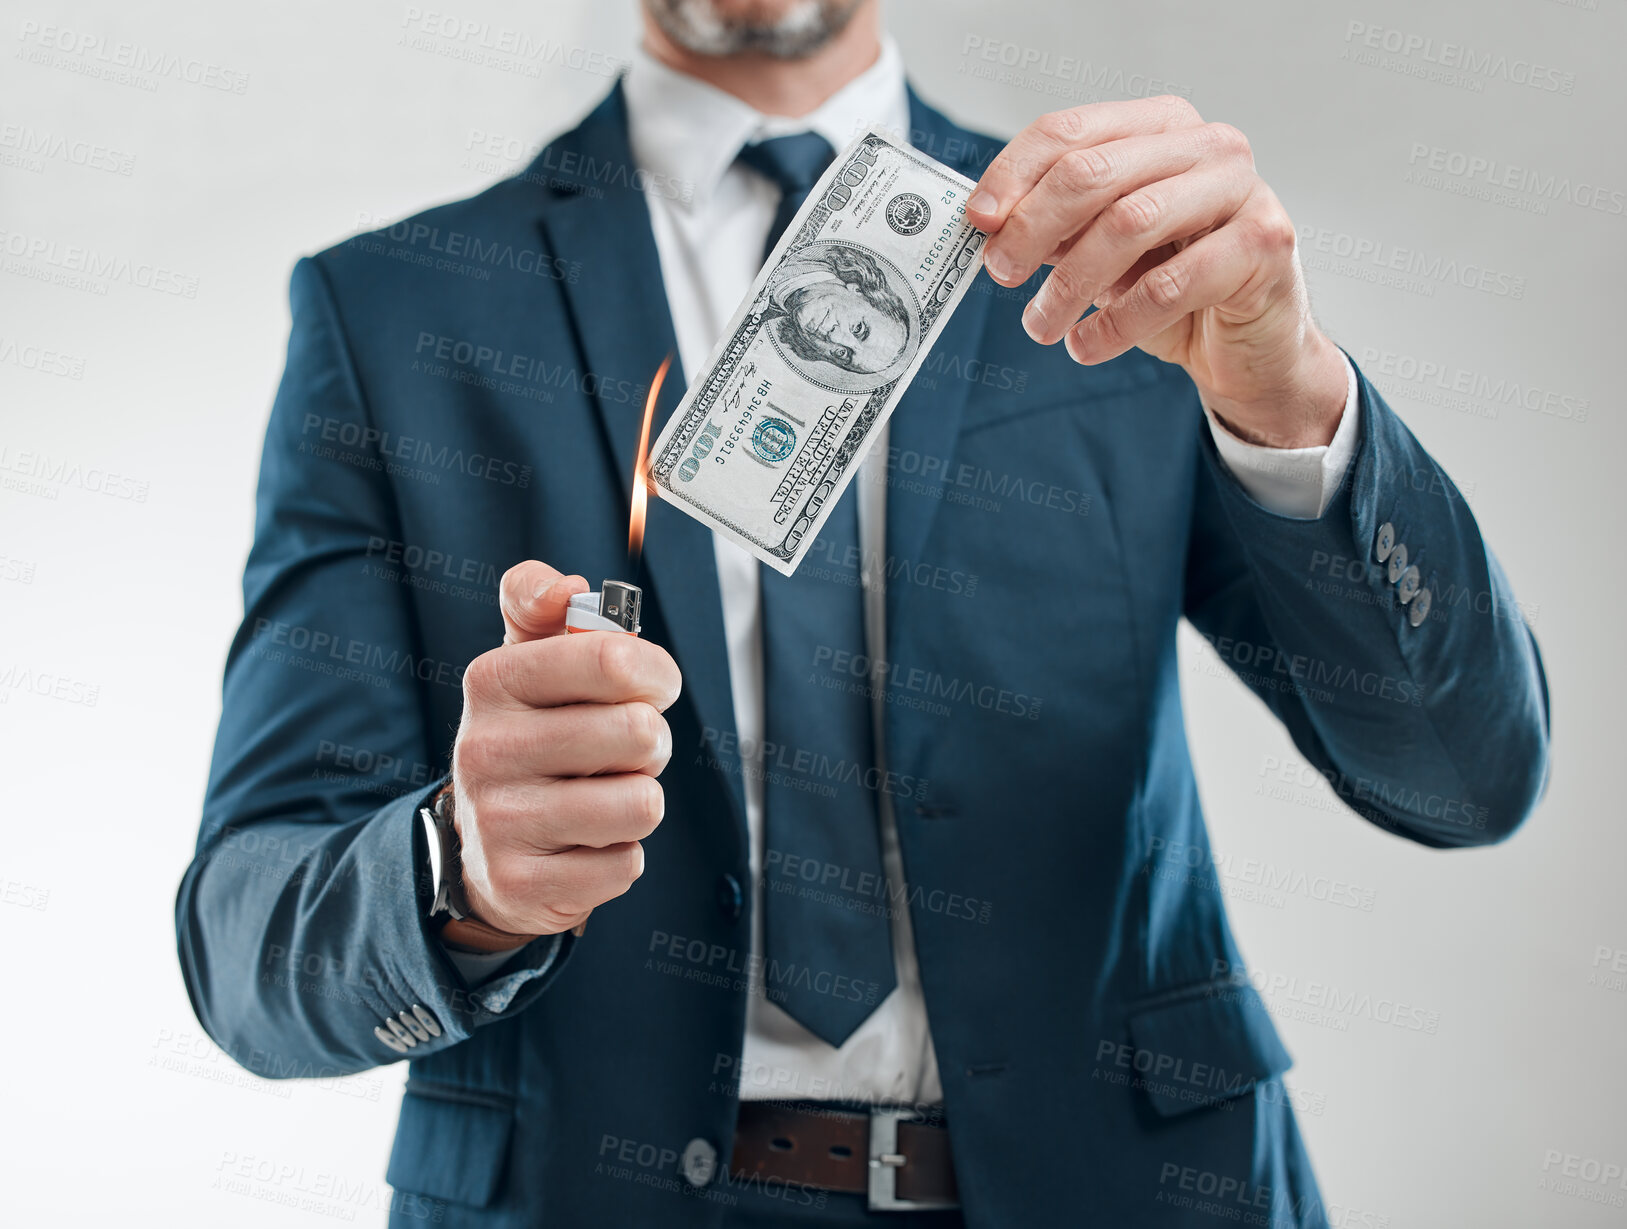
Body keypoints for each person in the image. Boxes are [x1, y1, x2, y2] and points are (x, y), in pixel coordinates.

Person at [175, 0, 1551, 1225]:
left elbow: (1460, 776)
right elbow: (245, 944)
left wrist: (1287, 394)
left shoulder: (1130, 263)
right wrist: (461, 869)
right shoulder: (393, 307)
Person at [765, 242, 913, 377]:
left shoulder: (757, 314)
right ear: (859, 291)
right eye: (858, 328)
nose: (834, 338)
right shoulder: (808, 248)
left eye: (841, 353)